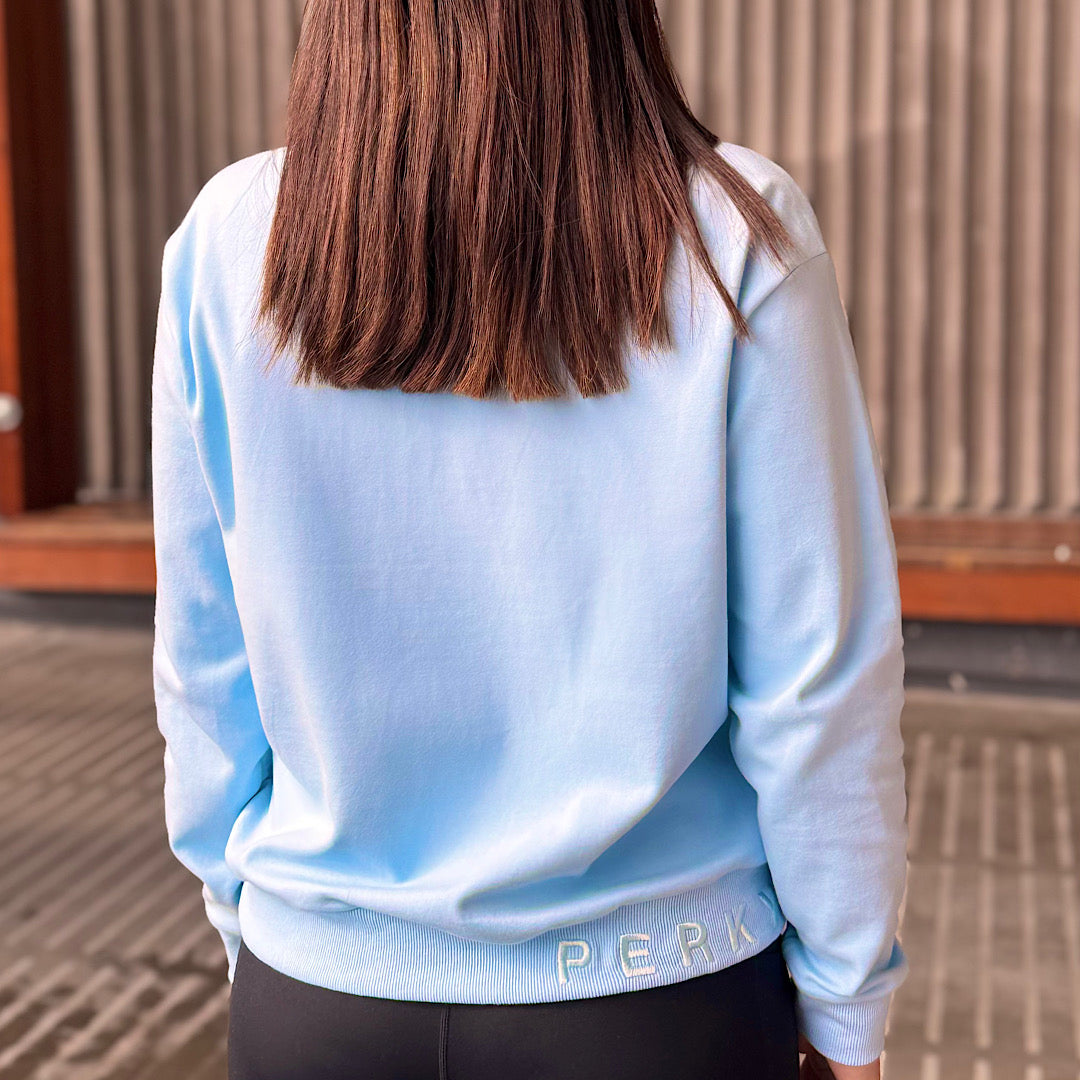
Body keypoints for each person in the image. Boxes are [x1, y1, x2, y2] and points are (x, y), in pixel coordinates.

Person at [148, 2, 910, 1078]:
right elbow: (817, 686)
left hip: (316, 1005)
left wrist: (260, 931)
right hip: (659, 1003)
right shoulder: (734, 231)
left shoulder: (228, 241)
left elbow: (203, 671)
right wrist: (848, 1003)